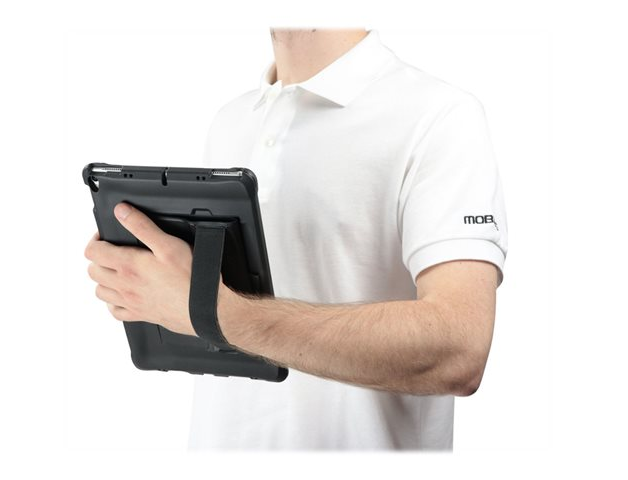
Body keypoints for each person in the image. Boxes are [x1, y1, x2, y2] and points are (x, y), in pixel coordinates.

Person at [84, 28, 508, 450]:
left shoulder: (439, 115)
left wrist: (213, 312)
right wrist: (149, 288)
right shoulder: (232, 119)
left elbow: (459, 350)